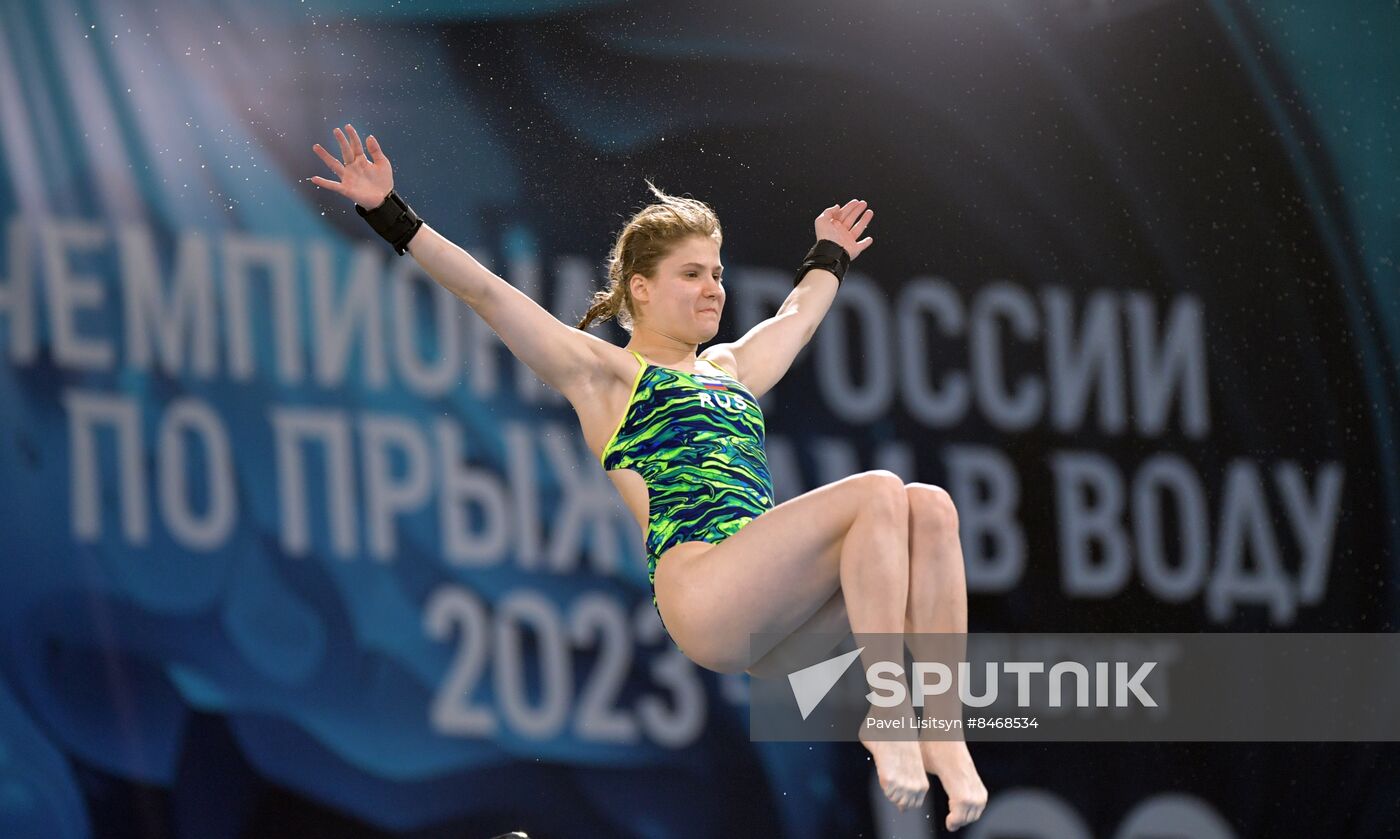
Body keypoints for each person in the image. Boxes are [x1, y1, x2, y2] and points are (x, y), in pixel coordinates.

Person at [310, 123, 987, 829]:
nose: (713, 288)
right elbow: (487, 293)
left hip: (775, 618)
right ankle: (886, 708)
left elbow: (799, 314)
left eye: (718, 273)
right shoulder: (608, 377)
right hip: (704, 594)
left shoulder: (731, 372)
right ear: (640, 287)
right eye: (692, 274)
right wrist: (390, 212)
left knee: (930, 507)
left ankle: (943, 728)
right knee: (878, 490)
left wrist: (829, 252)